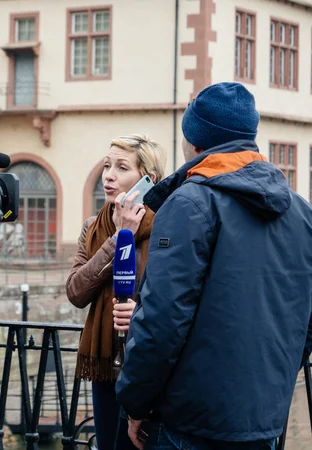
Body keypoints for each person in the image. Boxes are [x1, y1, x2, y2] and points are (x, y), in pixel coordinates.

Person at [116, 82, 312, 450]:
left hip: (191, 422)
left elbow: (162, 318)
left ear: (194, 140)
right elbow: (306, 321)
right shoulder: (301, 212)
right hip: (262, 419)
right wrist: (275, 382)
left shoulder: (190, 203)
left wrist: (135, 401)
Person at [66, 135, 167, 449]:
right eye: (107, 165)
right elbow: (75, 291)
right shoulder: (93, 227)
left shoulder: (166, 226)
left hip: (146, 364)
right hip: (106, 364)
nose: (108, 174)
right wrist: (120, 239)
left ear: (147, 179)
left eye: (122, 167)